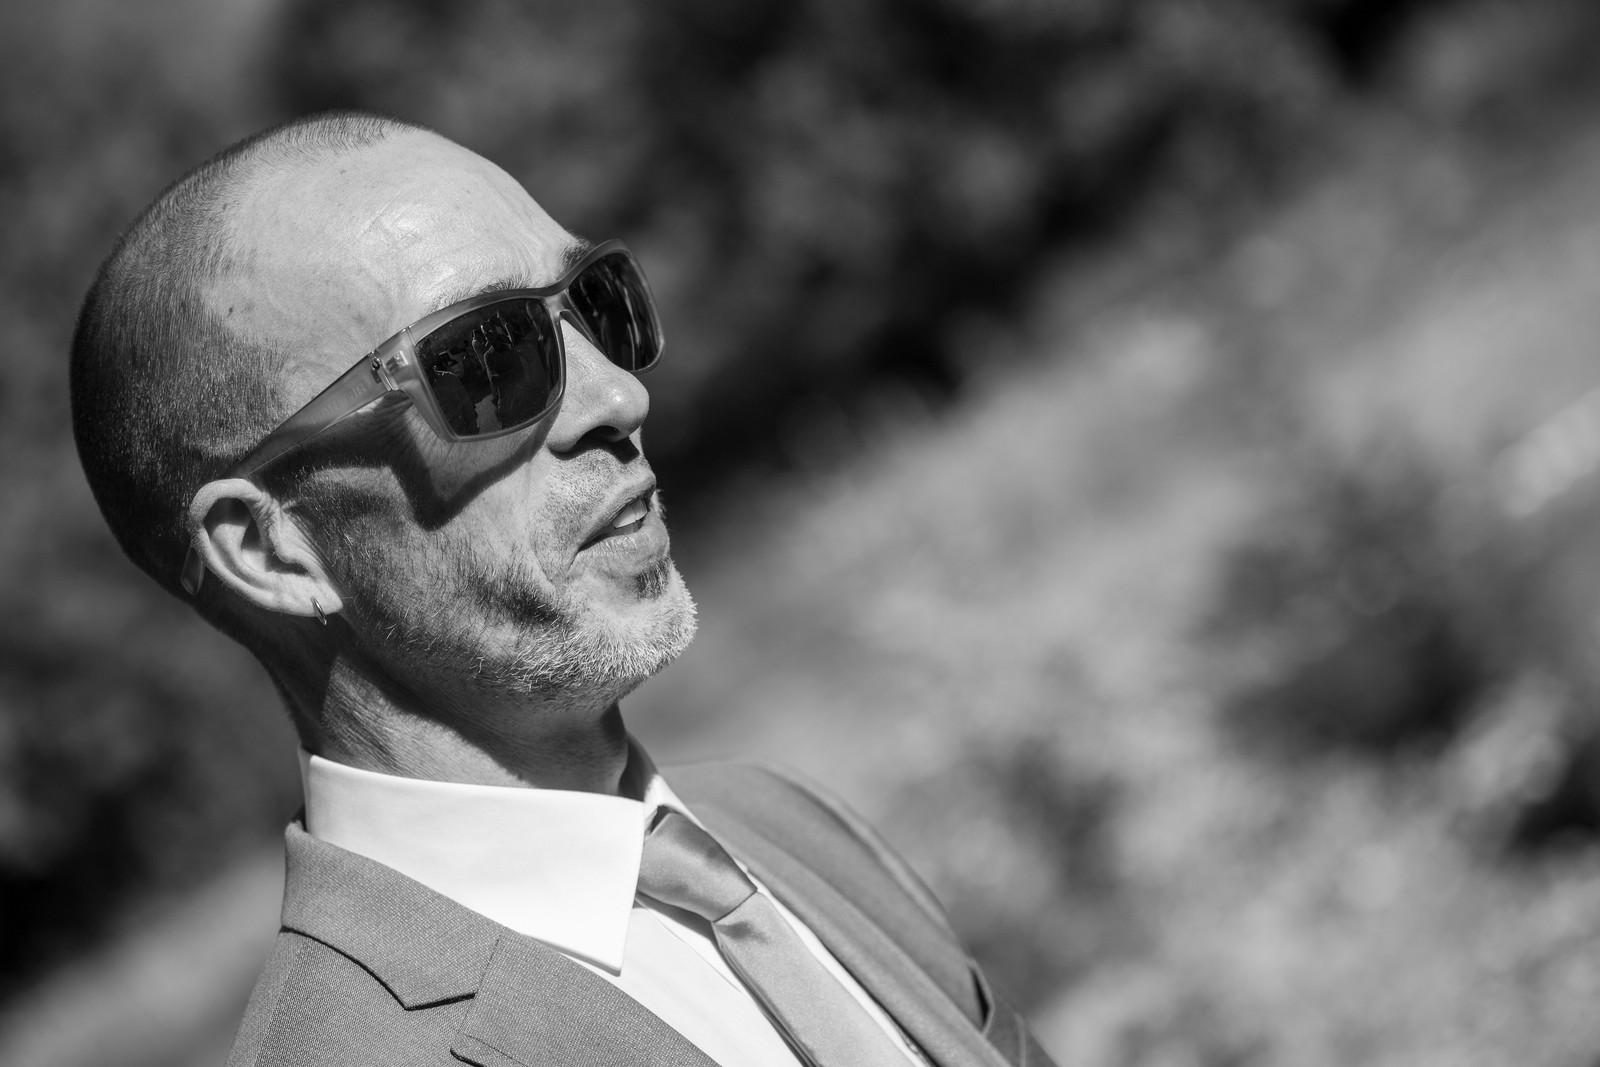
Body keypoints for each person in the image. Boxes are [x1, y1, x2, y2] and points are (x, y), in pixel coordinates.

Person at [69, 112, 1054, 1067]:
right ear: (271, 549)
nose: (620, 397)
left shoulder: (790, 827)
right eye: (482, 361)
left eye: (598, 301)